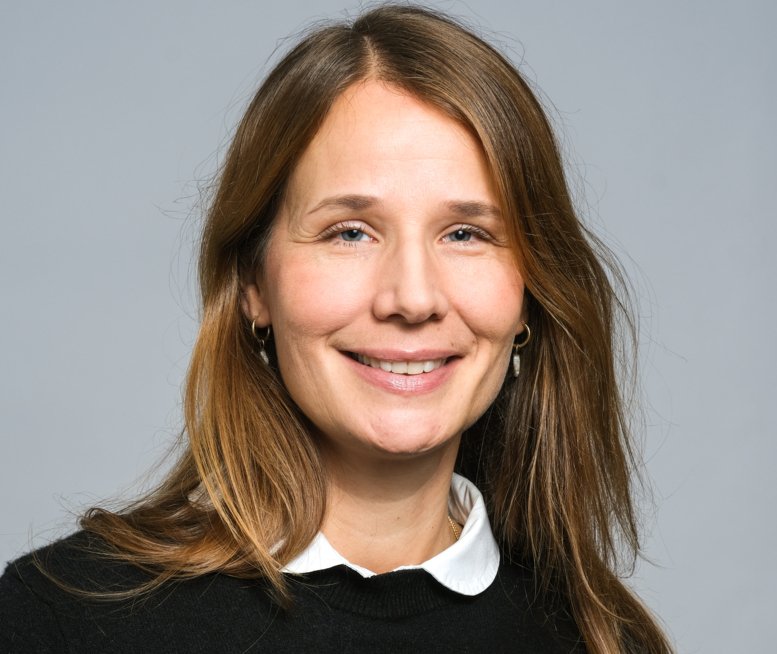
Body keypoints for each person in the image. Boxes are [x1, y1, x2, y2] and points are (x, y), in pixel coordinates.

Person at [0, 5, 671, 653]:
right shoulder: (58, 622)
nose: (413, 298)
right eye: (350, 232)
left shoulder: (604, 640)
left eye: (466, 233)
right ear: (253, 282)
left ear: (527, 295)